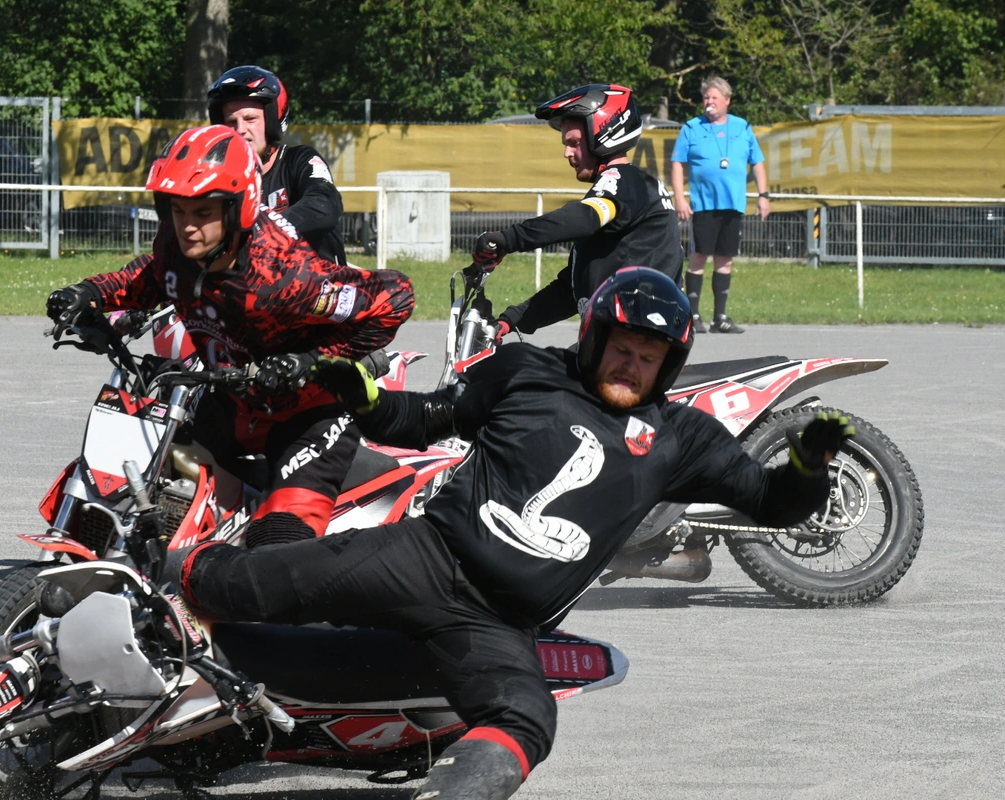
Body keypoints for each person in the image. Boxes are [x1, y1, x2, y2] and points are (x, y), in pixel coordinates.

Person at [170, 268, 852, 800]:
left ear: (668, 365)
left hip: (498, 625)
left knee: (528, 716)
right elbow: (426, 418)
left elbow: (773, 501)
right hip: (426, 559)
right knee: (259, 581)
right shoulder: (526, 371)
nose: (631, 365)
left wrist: (808, 466)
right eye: (622, 348)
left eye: (648, 356)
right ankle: (149, 587)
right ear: (593, 338)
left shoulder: (683, 437)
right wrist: (367, 400)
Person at [46, 125, 414, 549]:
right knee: (147, 474)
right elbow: (149, 276)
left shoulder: (283, 276)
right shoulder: (180, 245)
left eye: (203, 213)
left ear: (239, 208)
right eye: (177, 210)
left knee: (275, 549)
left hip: (308, 418)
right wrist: (91, 293)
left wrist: (312, 363)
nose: (187, 227)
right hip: (232, 398)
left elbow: (396, 297)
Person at [467, 84, 682, 342]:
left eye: (574, 143)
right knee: (520, 366)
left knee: (517, 373)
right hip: (624, 339)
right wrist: (508, 321)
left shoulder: (624, 180)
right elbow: (570, 292)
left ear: (603, 135)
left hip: (635, 344)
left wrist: (507, 239)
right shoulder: (629, 192)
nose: (567, 153)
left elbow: (583, 218)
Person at [206, 65, 348, 265]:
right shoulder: (220, 178)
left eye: (250, 119)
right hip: (255, 291)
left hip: (318, 288)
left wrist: (263, 230)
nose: (240, 130)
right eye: (231, 121)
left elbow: (324, 206)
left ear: (273, 120)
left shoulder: (299, 160)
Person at [670, 76, 771, 334]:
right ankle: (692, 315)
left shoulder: (741, 127)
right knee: (698, 257)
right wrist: (680, 197)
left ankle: (720, 317)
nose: (709, 102)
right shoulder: (692, 128)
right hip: (703, 205)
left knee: (725, 259)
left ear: (727, 100)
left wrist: (763, 195)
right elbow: (678, 163)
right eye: (706, 98)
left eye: (714, 98)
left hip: (733, 204)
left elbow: (757, 162)